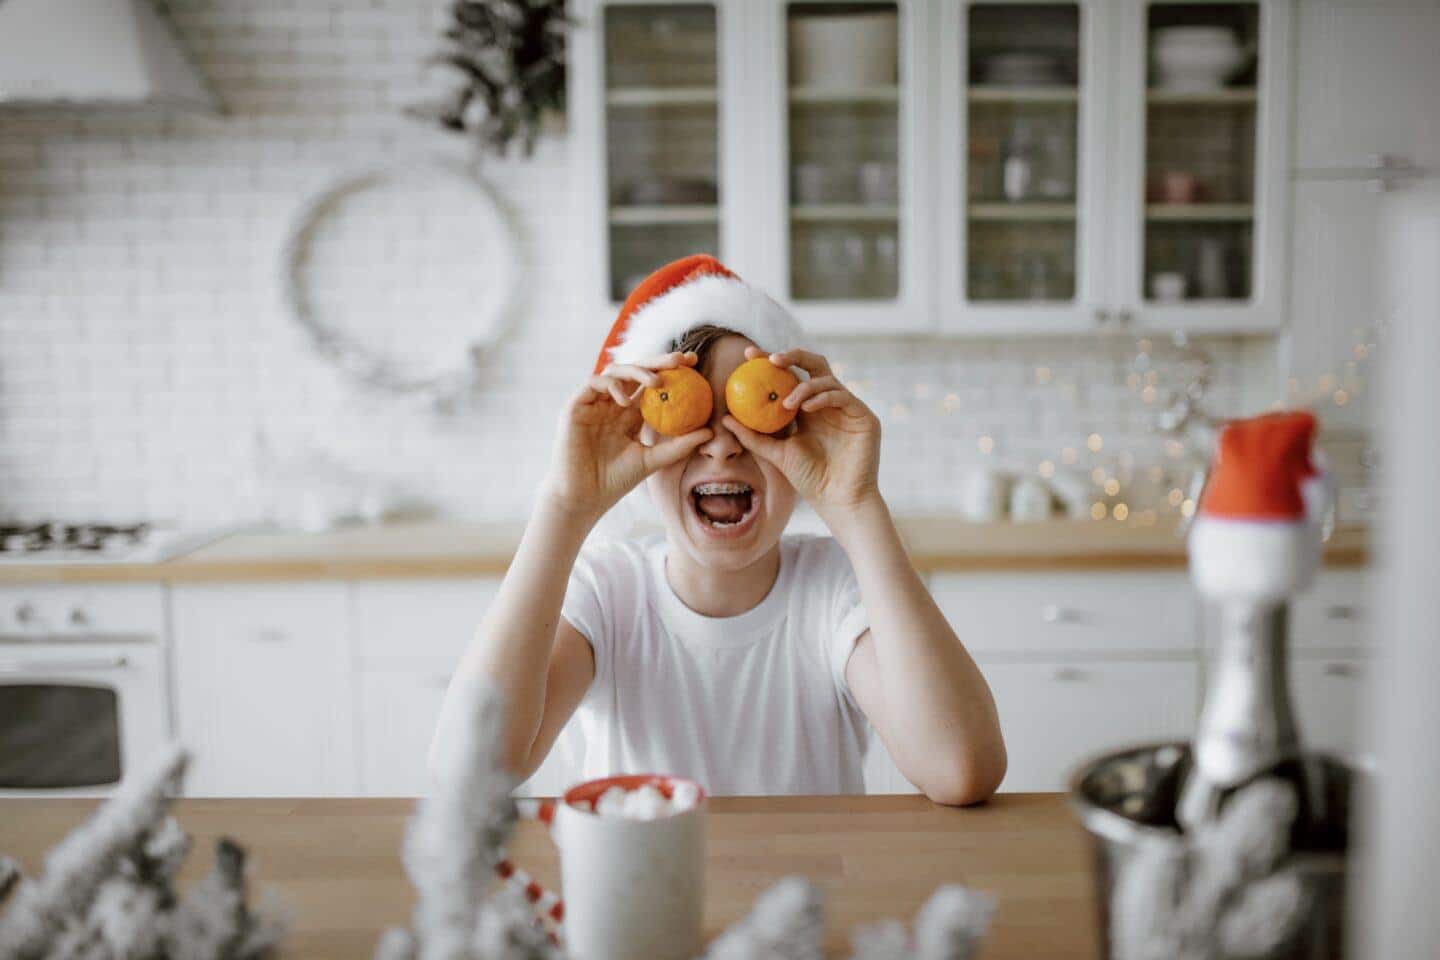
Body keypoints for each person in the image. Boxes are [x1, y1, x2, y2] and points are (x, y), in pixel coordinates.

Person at [432, 255, 1005, 803]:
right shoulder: (608, 590)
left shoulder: (834, 587)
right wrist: (565, 506)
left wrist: (856, 505)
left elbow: (961, 770)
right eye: (686, 412)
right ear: (643, 437)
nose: (723, 445)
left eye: (755, 411)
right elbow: (469, 774)